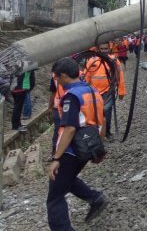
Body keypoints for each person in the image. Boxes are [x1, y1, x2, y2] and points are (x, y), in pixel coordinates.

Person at [47, 57, 108, 230]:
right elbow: (102, 119)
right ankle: (95, 198)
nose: (57, 82)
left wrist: (56, 157)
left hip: (71, 150)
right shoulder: (92, 90)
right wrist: (98, 149)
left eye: (57, 78)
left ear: (64, 75)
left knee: (55, 197)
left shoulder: (71, 97)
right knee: (67, 179)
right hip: (87, 148)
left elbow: (69, 129)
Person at [84, 43, 126, 141]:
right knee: (96, 113)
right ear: (98, 49)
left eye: (106, 48)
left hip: (108, 92)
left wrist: (121, 91)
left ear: (109, 48)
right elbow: (86, 78)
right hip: (95, 93)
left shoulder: (114, 61)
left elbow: (120, 76)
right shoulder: (92, 61)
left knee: (106, 112)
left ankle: (107, 132)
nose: (104, 50)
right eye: (102, 49)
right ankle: (98, 132)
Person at [48, 73, 66, 159]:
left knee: (60, 129)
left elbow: (53, 92)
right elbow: (53, 92)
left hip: (66, 105)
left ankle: (56, 151)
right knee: (58, 129)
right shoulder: (54, 77)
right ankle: (55, 151)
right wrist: (50, 107)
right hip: (58, 106)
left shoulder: (55, 76)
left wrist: (50, 107)